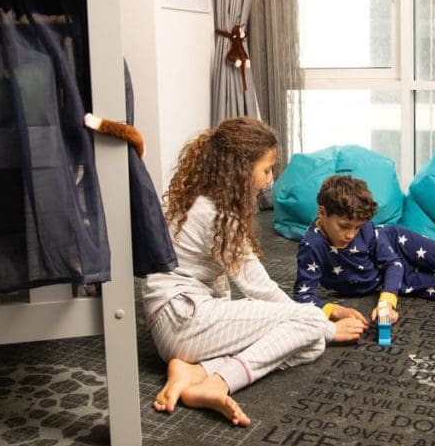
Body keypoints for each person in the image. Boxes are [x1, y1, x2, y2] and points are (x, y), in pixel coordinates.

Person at [144, 118, 367, 426]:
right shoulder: (216, 213)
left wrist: (313, 329)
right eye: (265, 170)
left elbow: (228, 284)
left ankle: (194, 370)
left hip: (175, 319)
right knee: (311, 328)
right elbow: (257, 286)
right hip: (183, 320)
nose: (270, 178)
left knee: (310, 343)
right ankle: (218, 381)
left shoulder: (205, 199)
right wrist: (323, 326)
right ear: (240, 169)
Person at [293, 174, 435, 325]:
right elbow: (303, 295)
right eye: (344, 227)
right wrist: (336, 311)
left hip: (400, 248)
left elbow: (392, 263)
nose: (351, 235)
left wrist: (387, 302)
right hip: (396, 279)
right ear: (322, 214)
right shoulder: (311, 246)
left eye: (357, 227)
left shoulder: (367, 229)